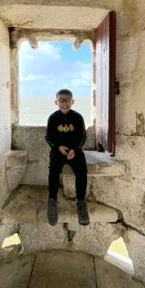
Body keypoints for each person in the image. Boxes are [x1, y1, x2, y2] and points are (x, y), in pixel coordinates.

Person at [45, 88, 90, 226]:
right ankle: (52, 200)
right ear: (56, 102)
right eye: (61, 100)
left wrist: (74, 150)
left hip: (75, 150)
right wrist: (58, 147)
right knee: (53, 171)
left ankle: (81, 203)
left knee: (82, 171)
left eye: (67, 100)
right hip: (58, 149)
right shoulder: (53, 118)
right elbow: (49, 137)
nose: (64, 103)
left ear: (72, 101)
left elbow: (82, 137)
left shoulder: (78, 117)